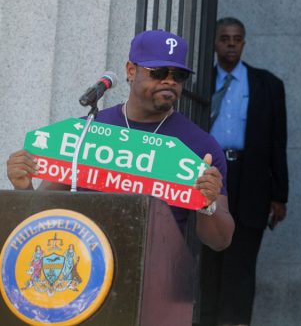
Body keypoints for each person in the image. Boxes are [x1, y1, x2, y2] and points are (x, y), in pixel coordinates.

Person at [6, 29, 235, 252]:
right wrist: (23, 187)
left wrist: (207, 204)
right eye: (158, 72)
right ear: (131, 70)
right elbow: (42, 214)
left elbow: (220, 241)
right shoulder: (85, 131)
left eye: (178, 75)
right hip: (83, 270)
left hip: (156, 278)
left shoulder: (201, 146)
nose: (169, 81)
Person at [199, 17, 289, 326]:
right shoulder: (200, 84)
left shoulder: (267, 84)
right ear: (214, 43)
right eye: (224, 38)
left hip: (250, 179)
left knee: (241, 260)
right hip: (209, 175)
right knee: (207, 256)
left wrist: (280, 195)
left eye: (237, 38)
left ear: (244, 43)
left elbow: (278, 142)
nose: (231, 44)